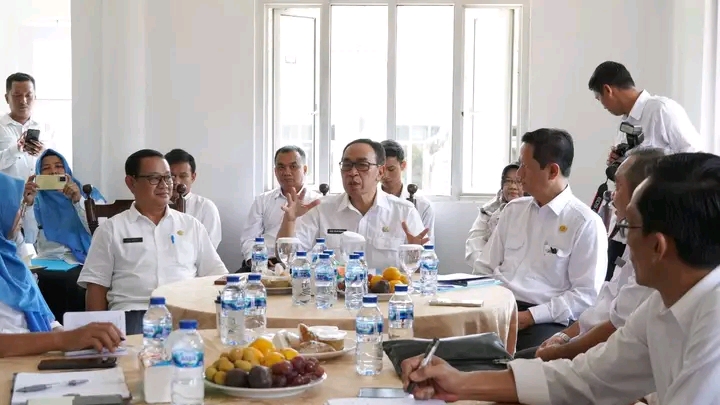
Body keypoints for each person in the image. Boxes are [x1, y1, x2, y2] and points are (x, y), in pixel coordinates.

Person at [402, 152, 720, 405]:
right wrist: (458, 382)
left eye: (627, 227)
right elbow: (587, 377)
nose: (623, 239)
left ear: (658, 246)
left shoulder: (713, 320)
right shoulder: (659, 306)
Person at [515, 147, 662, 361]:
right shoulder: (513, 211)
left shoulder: (587, 222)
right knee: (508, 363)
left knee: (519, 368)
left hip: (601, 351)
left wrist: (562, 350)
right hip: (582, 339)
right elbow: (605, 303)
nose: (612, 196)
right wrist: (564, 337)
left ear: (641, 193)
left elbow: (614, 323)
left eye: (618, 186)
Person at [475, 128, 607, 351]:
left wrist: (530, 316)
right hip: (497, 308)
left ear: (552, 171)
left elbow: (585, 296)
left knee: (515, 362)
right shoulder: (513, 211)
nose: (519, 175)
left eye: (525, 166)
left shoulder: (585, 223)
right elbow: (485, 267)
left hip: (545, 320)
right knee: (450, 347)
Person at [78, 149, 228, 335]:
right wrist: (97, 334)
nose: (165, 185)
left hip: (185, 312)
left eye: (168, 177)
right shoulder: (110, 229)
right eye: (154, 178)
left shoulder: (191, 226)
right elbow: (96, 286)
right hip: (135, 312)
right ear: (131, 182)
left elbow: (216, 274)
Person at [0, 171, 122, 356]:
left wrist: (77, 337)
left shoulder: (10, 261)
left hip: (36, 355)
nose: (19, 215)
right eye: (14, 207)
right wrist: (63, 340)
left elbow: (44, 316)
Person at [277, 139, 428, 270]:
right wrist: (289, 221)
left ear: (380, 172)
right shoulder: (321, 209)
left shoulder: (404, 212)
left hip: (388, 293)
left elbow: (425, 268)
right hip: (334, 292)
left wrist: (415, 254)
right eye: (347, 165)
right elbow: (288, 260)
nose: (352, 172)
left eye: (363, 165)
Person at [19, 149, 104, 320]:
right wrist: (28, 204)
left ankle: (73, 330)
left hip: (81, 259)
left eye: (58, 166)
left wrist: (77, 201)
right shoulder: (37, 201)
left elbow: (100, 231)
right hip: (47, 260)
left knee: (73, 282)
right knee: (29, 279)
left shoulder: (88, 195)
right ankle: (49, 329)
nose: (53, 172)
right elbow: (29, 237)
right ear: (38, 174)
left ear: (66, 170)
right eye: (46, 168)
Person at [588, 61, 702, 165]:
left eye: (599, 98)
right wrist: (619, 161)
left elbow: (694, 156)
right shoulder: (624, 125)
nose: (603, 106)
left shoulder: (661, 109)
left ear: (608, 90)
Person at [240, 146, 321, 270]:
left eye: (293, 166)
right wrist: (256, 260)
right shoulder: (263, 200)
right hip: (264, 265)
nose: (287, 172)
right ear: (275, 171)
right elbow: (249, 239)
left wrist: (300, 264)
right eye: (281, 167)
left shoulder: (318, 202)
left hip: (303, 268)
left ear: (304, 169)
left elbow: (323, 246)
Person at [465, 163, 523, 270]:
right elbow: (474, 245)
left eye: (518, 181)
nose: (513, 187)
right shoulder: (489, 210)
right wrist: (487, 270)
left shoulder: (533, 210)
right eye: (508, 181)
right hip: (488, 271)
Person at [0, 73, 55, 179]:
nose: (23, 101)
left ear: (35, 97)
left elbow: (57, 165)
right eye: (17, 95)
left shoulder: (46, 128)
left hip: (40, 188)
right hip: (7, 189)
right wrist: (15, 150)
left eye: (28, 95)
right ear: (7, 98)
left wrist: (43, 153)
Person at [165, 148, 222, 249]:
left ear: (193, 177)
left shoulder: (206, 207)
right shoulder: (154, 206)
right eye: (171, 176)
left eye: (183, 176)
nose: (176, 182)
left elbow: (209, 249)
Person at [380, 140, 435, 243]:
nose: (385, 175)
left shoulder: (422, 205)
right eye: (381, 169)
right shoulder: (369, 201)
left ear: (403, 165)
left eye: (391, 169)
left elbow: (428, 246)